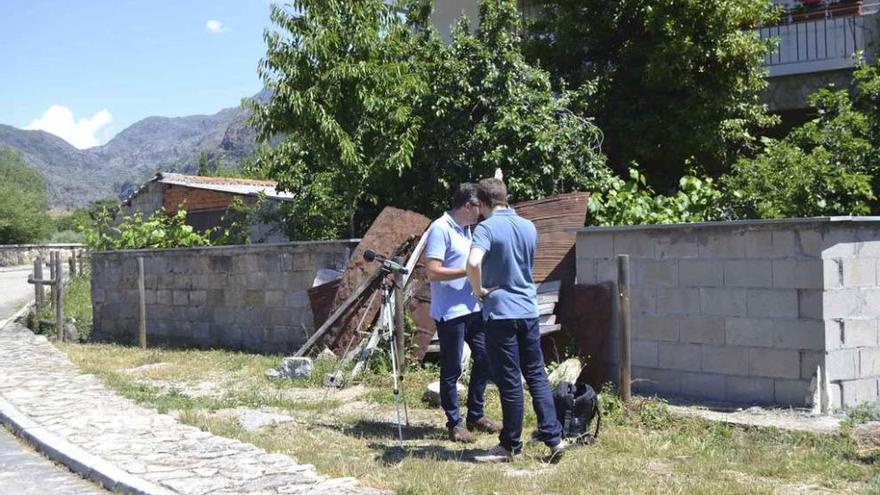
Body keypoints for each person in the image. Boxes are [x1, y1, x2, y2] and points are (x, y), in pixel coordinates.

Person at [466, 177, 567, 463]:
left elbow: (473, 263)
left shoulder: (485, 228)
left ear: (483, 203)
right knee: (536, 375)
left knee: (510, 380)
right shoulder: (528, 226)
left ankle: (510, 445)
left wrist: (478, 290)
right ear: (505, 197)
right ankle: (554, 437)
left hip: (500, 313)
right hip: (528, 309)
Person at [424, 183, 502, 443]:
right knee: (452, 367)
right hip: (450, 312)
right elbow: (433, 271)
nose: (481, 213)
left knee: (485, 358)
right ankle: (455, 423)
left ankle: (475, 415)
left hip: (472, 308)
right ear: (467, 205)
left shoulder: (469, 231)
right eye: (479, 207)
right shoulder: (440, 229)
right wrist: (467, 271)